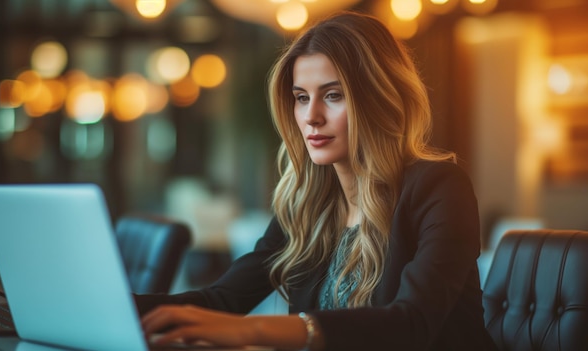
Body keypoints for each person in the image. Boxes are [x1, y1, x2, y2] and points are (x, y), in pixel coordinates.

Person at [137, 10, 498, 351]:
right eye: (300, 98)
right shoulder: (307, 203)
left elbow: (410, 324)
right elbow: (222, 299)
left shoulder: (440, 188)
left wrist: (252, 330)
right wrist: (107, 306)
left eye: (333, 95)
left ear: (378, 98)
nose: (311, 117)